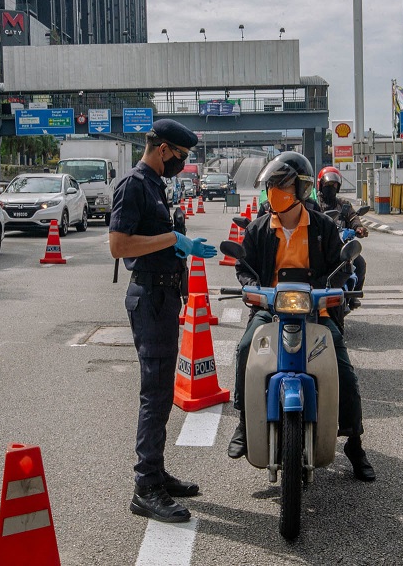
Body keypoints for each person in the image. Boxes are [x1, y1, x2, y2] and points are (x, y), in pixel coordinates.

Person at [226, 152, 375, 481]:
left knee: (345, 372)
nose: (274, 191)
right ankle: (243, 422)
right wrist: (252, 288)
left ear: (302, 189)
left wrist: (330, 289)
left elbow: (342, 265)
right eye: (272, 185)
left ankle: (354, 442)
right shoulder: (260, 227)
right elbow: (244, 266)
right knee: (244, 350)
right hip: (271, 310)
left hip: (316, 312)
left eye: (282, 185)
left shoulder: (322, 226)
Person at [109, 119, 218, 523]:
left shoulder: (156, 185)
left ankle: (155, 471)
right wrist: (173, 240)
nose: (183, 164)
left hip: (165, 295)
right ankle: (145, 488)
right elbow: (119, 246)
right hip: (150, 297)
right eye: (182, 157)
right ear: (164, 149)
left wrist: (178, 249)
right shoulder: (135, 185)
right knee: (154, 394)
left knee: (161, 391)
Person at [316, 166, 368, 309]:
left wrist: (358, 228)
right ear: (320, 185)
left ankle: (353, 296)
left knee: (361, 263)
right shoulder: (315, 204)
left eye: (334, 185)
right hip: (320, 246)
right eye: (328, 185)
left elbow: (353, 217)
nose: (331, 187)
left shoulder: (343, 204)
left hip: (341, 245)